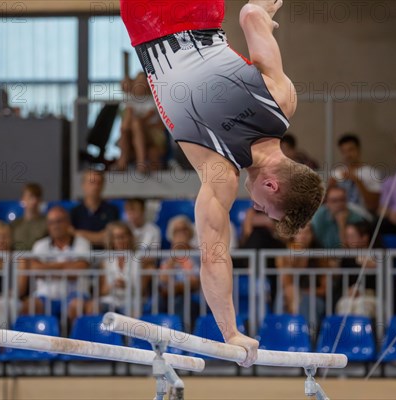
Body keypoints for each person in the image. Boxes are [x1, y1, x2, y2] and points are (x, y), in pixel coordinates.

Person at [121, 0, 325, 366]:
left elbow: (248, 13)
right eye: (266, 207)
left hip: (203, 12)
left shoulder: (283, 101)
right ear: (273, 187)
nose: (257, 208)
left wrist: (264, 17)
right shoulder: (220, 174)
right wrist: (230, 331)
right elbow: (214, 259)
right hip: (147, 22)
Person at [19, 207, 91, 318]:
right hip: (45, 297)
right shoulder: (40, 245)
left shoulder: (82, 243)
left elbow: (78, 271)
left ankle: (74, 335)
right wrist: (65, 267)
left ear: (68, 223)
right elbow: (35, 270)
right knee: (29, 306)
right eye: (51, 222)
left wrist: (47, 268)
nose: (55, 226)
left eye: (59, 221)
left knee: (77, 306)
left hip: (75, 295)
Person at [275, 223, 332, 326]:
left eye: (307, 233)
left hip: (313, 296)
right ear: (293, 235)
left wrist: (304, 293)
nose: (303, 236)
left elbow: (324, 289)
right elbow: (286, 285)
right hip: (291, 295)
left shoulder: (320, 257)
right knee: (283, 296)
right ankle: (282, 331)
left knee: (305, 302)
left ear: (312, 236)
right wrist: (294, 261)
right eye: (299, 233)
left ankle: (305, 335)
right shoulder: (284, 256)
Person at [113, 72, 167, 172]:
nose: (141, 84)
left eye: (144, 81)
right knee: (128, 126)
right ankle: (129, 161)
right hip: (131, 133)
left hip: (151, 135)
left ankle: (133, 161)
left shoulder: (154, 99)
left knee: (136, 124)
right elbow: (125, 125)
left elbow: (158, 124)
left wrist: (136, 122)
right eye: (139, 81)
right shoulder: (129, 99)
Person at [160, 216, 201, 324]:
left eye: (184, 229)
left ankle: (180, 338)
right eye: (176, 231)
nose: (181, 233)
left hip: (192, 296)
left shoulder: (197, 254)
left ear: (190, 233)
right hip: (169, 294)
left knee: (182, 302)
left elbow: (195, 283)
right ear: (171, 235)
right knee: (156, 302)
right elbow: (162, 280)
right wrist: (175, 253)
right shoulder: (166, 256)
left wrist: (176, 287)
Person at [330, 134, 382, 214]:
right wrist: (330, 186)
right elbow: (326, 202)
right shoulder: (336, 173)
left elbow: (374, 205)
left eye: (350, 150)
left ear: (358, 150)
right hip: (336, 214)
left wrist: (358, 181)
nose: (347, 155)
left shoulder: (371, 172)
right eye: (343, 151)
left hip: (360, 214)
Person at [71, 169, 120, 249]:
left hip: (106, 256)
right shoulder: (74, 212)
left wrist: (78, 234)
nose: (95, 187)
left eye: (99, 183)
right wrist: (98, 236)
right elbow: (70, 237)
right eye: (92, 183)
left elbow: (108, 238)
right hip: (81, 255)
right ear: (83, 185)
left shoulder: (112, 210)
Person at [10, 183, 48, 251]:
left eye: (37, 197)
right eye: (30, 196)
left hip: (40, 259)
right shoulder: (14, 224)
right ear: (22, 199)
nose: (34, 201)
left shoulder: (47, 222)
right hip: (18, 259)